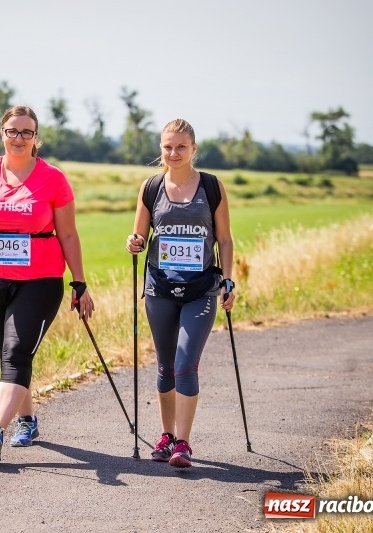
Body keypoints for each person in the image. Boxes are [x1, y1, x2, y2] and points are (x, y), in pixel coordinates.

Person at [0, 105, 94, 461]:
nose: (19, 138)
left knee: (16, 351)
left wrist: (79, 283)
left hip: (41, 279)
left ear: (36, 137)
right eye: (12, 131)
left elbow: (68, 234)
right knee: (8, 353)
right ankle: (27, 420)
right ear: (2, 133)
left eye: (27, 132)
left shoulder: (53, 178)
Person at [125, 118, 235, 468]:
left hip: (200, 290)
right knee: (165, 366)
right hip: (160, 288)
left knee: (186, 364)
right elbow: (140, 236)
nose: (173, 153)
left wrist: (228, 280)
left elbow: (225, 239)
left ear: (193, 149)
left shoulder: (212, 187)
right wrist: (134, 242)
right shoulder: (151, 187)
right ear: (161, 149)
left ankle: (183, 443)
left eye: (181, 147)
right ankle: (166, 435)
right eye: (168, 147)